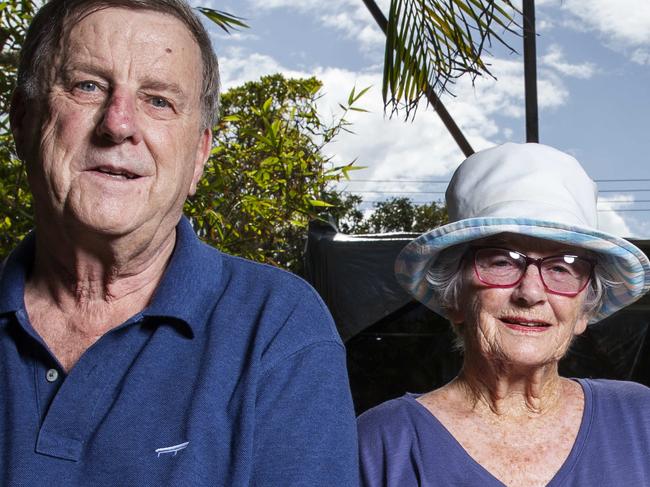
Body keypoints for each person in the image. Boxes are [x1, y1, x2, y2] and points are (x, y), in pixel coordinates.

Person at [1, 1, 358, 485]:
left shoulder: (277, 328)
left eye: (159, 101)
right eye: (88, 86)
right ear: (22, 121)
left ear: (198, 156)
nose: (119, 124)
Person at [357, 143, 650, 486]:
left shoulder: (640, 419)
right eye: (501, 262)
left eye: (562, 267)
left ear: (583, 309)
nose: (531, 293)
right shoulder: (381, 445)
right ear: (453, 295)